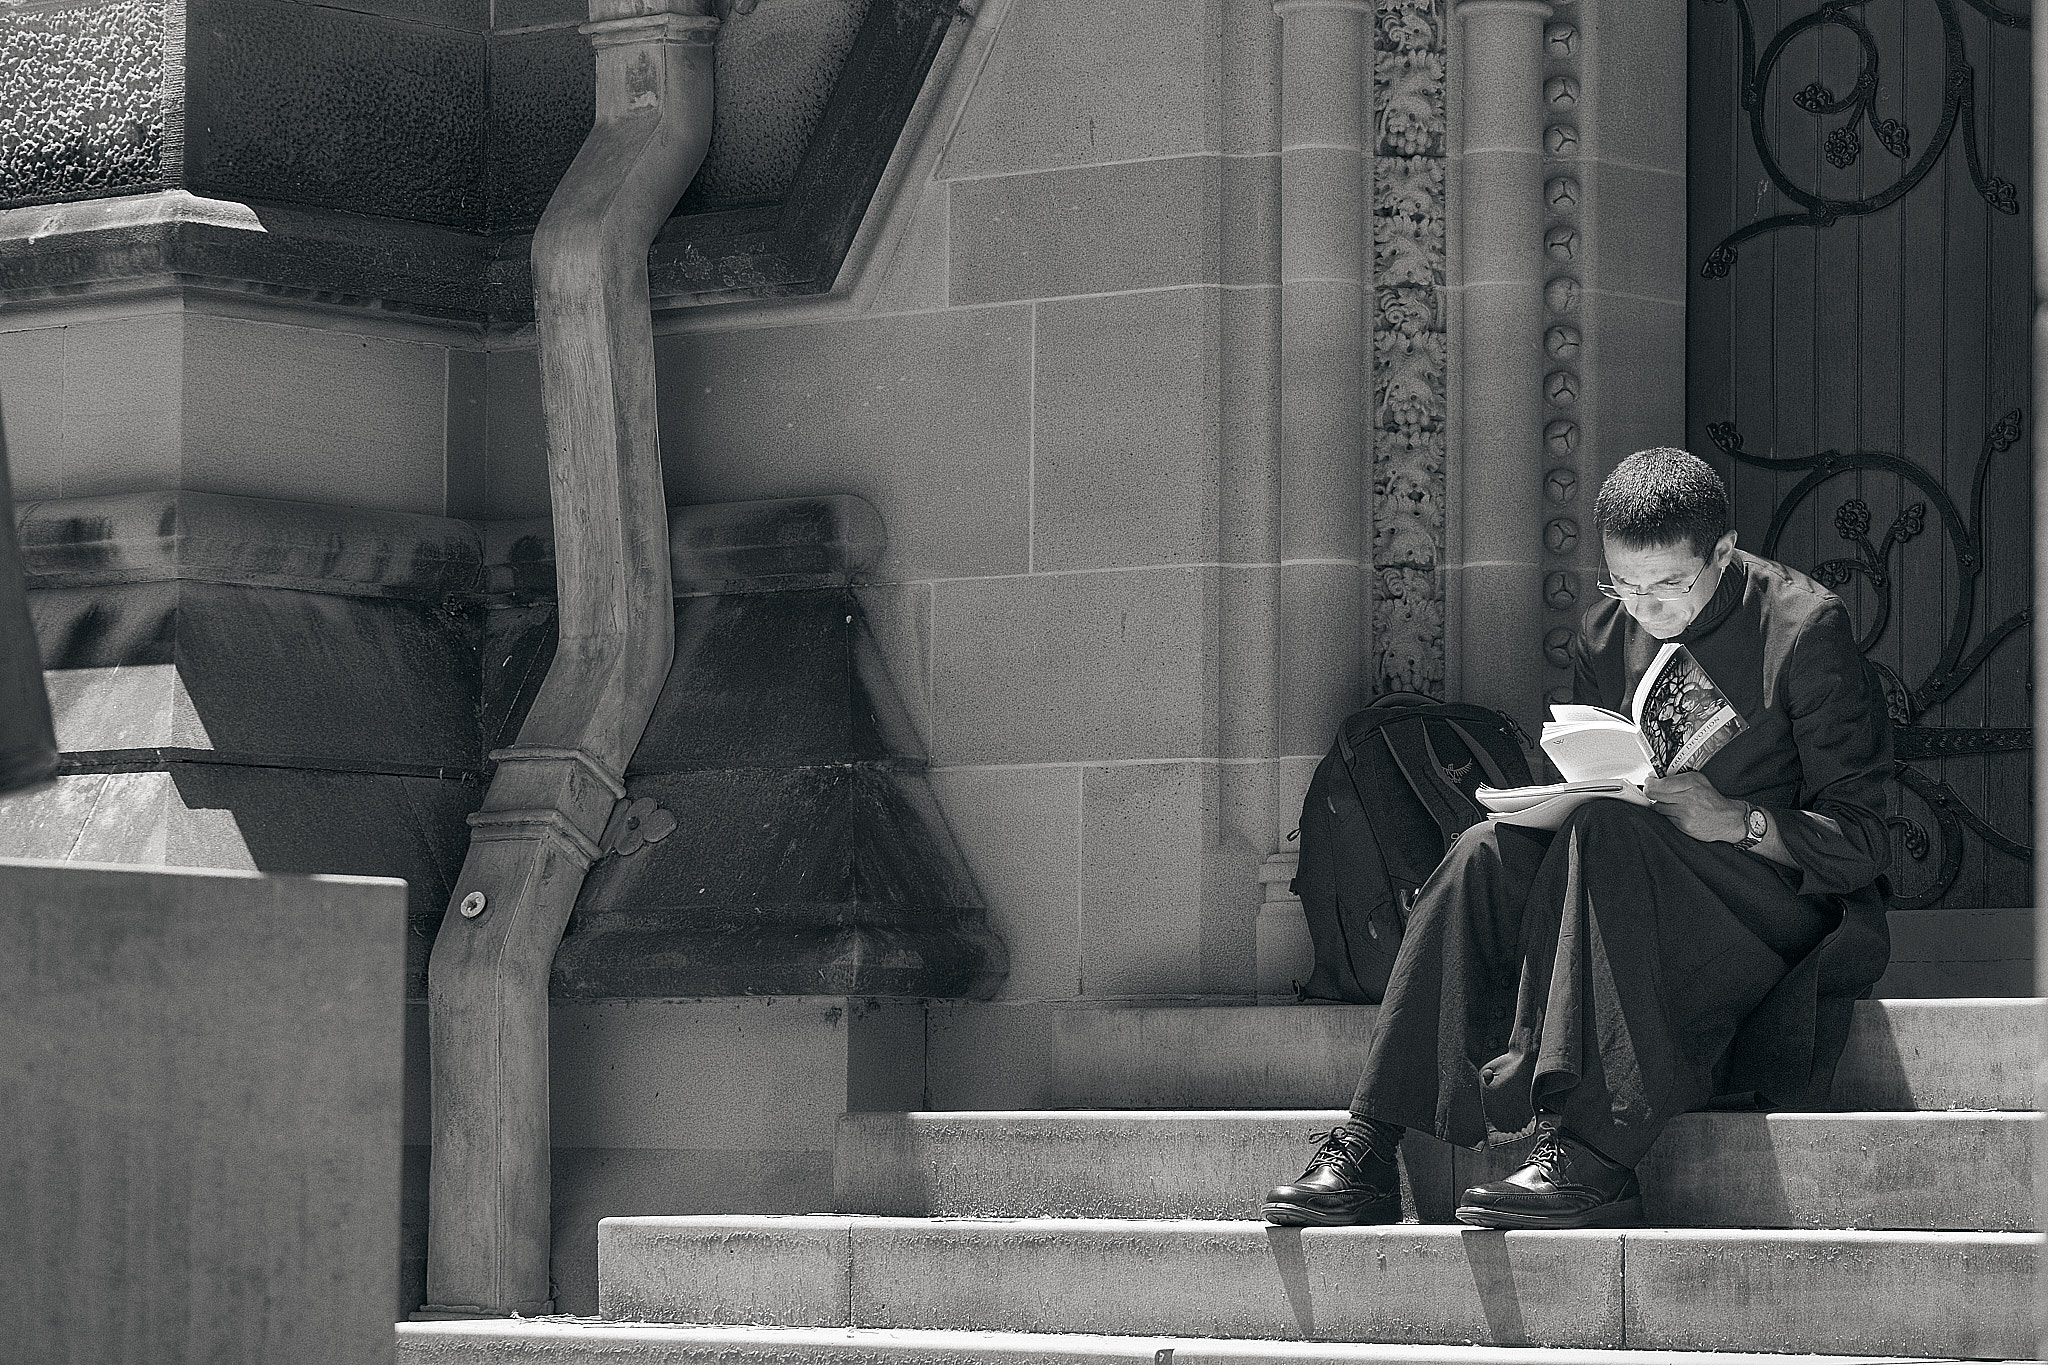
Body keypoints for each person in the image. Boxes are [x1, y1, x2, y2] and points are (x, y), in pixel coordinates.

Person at [1262, 447, 1892, 1229]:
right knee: (1482, 852)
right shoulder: (1608, 629)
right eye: (1623, 583)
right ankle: (1369, 1139)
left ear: (1723, 553)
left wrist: (1738, 819)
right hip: (1628, 864)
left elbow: (1866, 838)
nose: (1644, 607)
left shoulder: (1804, 626)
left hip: (1765, 901)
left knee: (1606, 830)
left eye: (1666, 585)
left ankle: (1591, 1149)